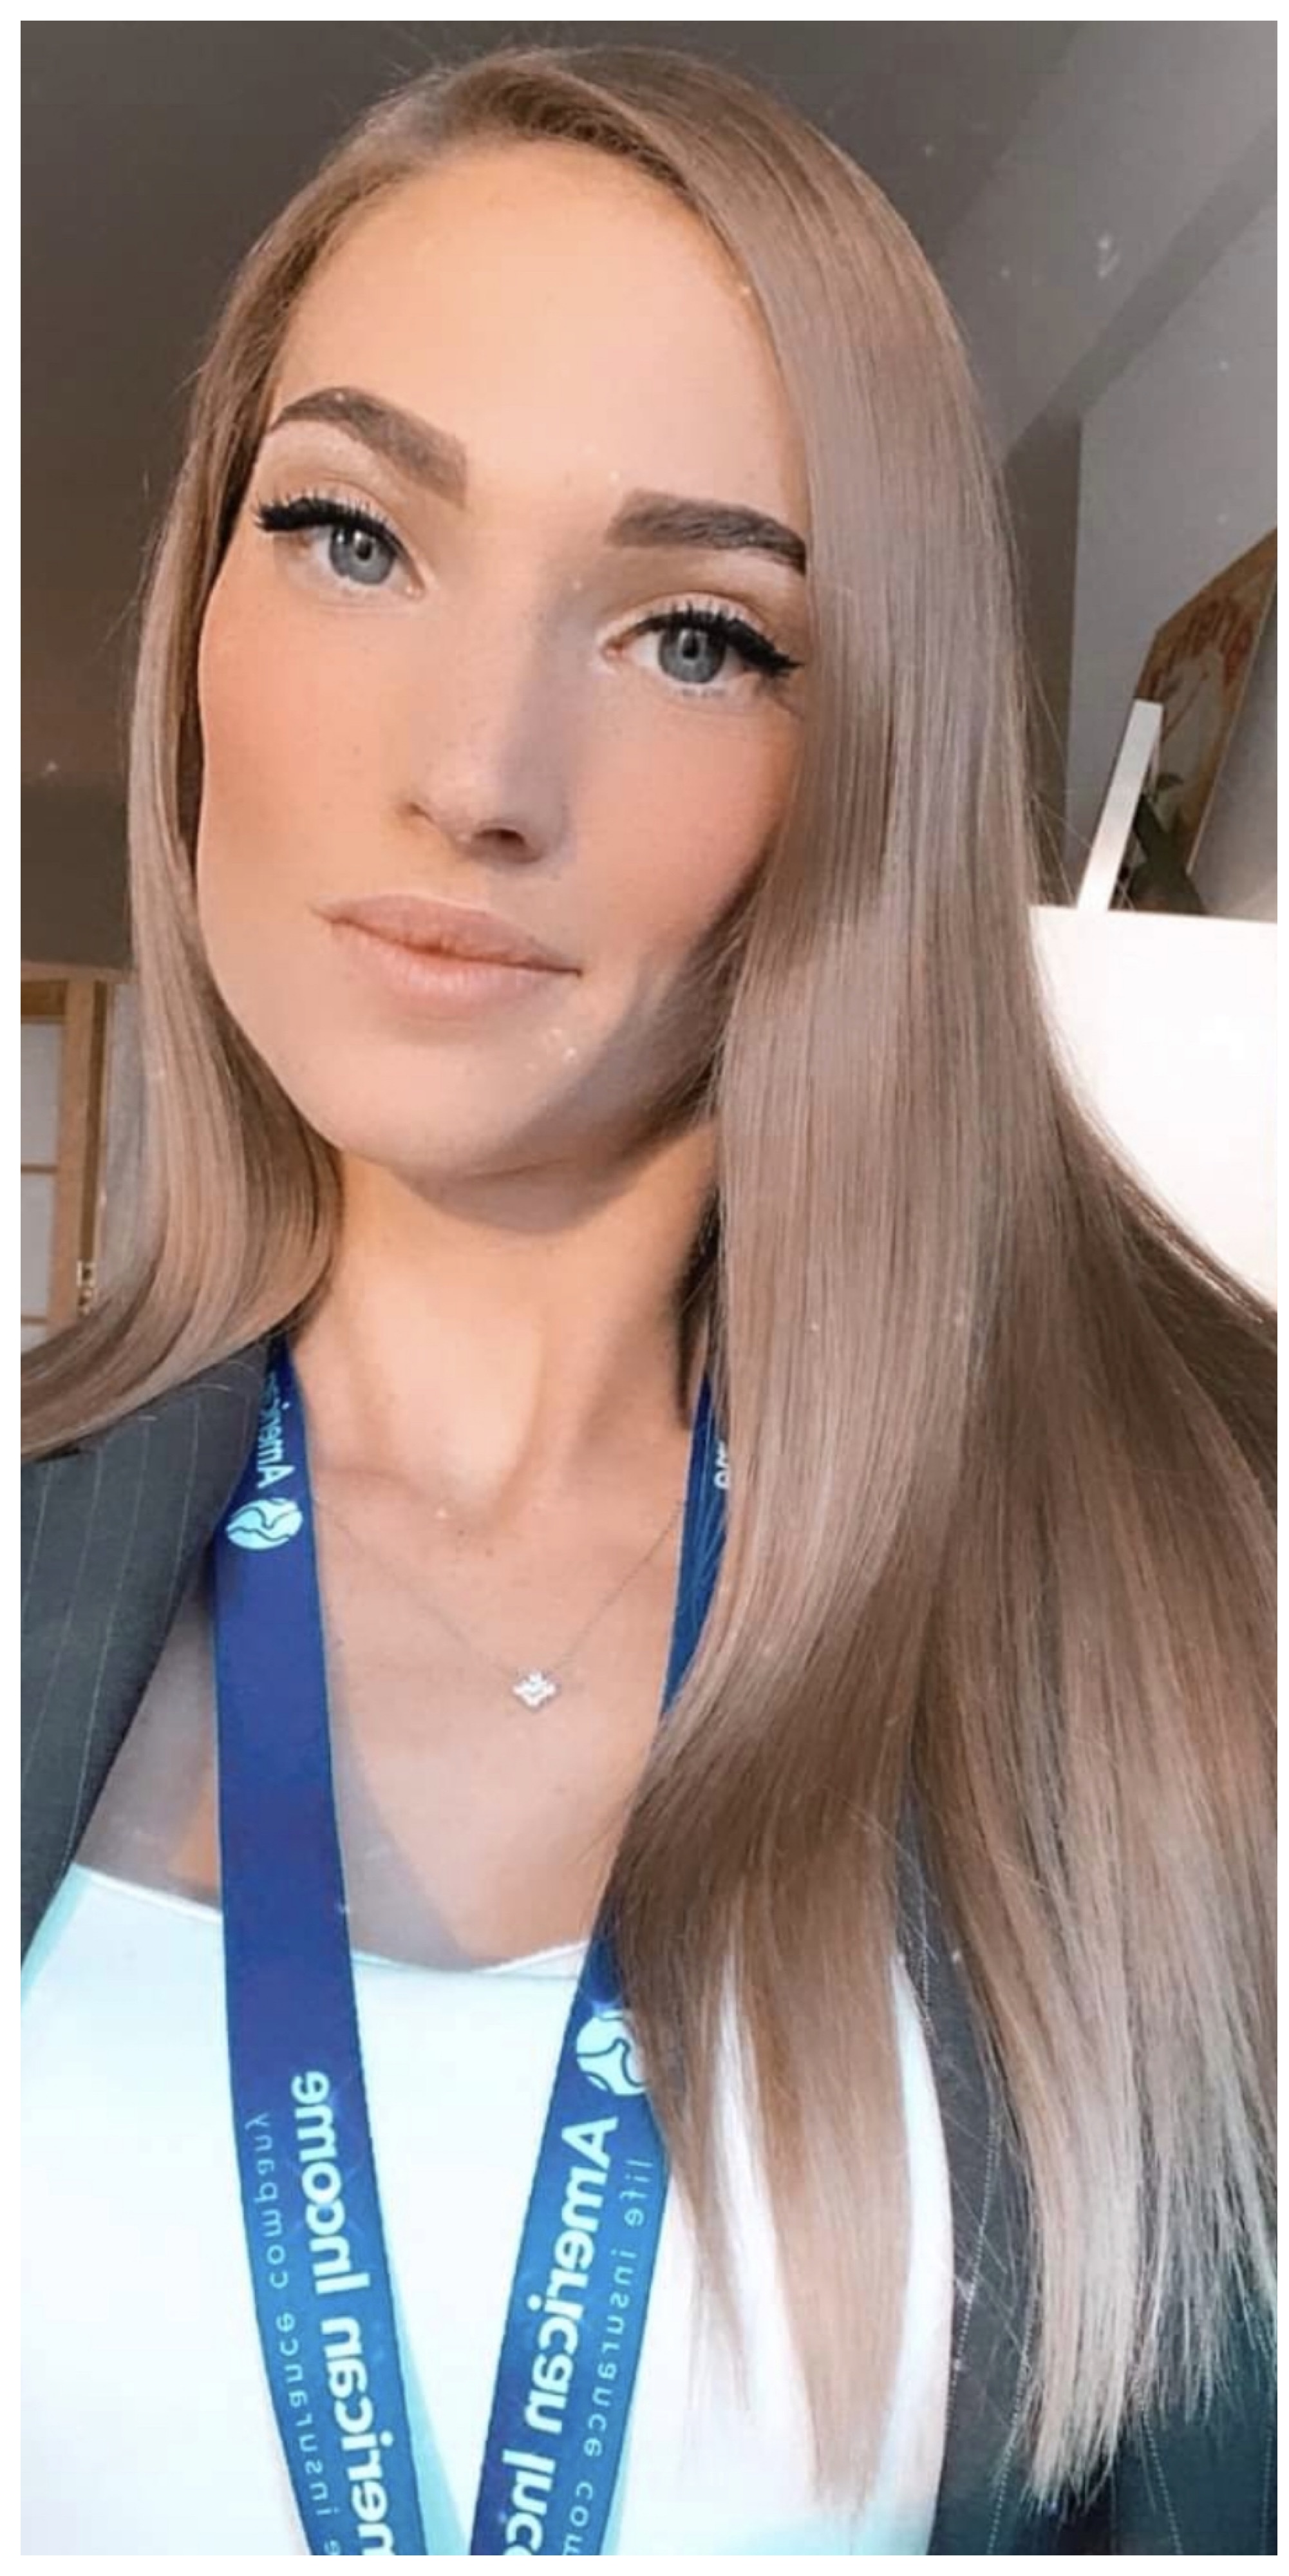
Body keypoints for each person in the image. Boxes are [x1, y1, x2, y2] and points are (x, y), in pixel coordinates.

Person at [21, 40, 1274, 2559]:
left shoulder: (1206, 1584)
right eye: (352, 534)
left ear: (870, 757)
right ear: (195, 618)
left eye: (696, 633)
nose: (478, 770)